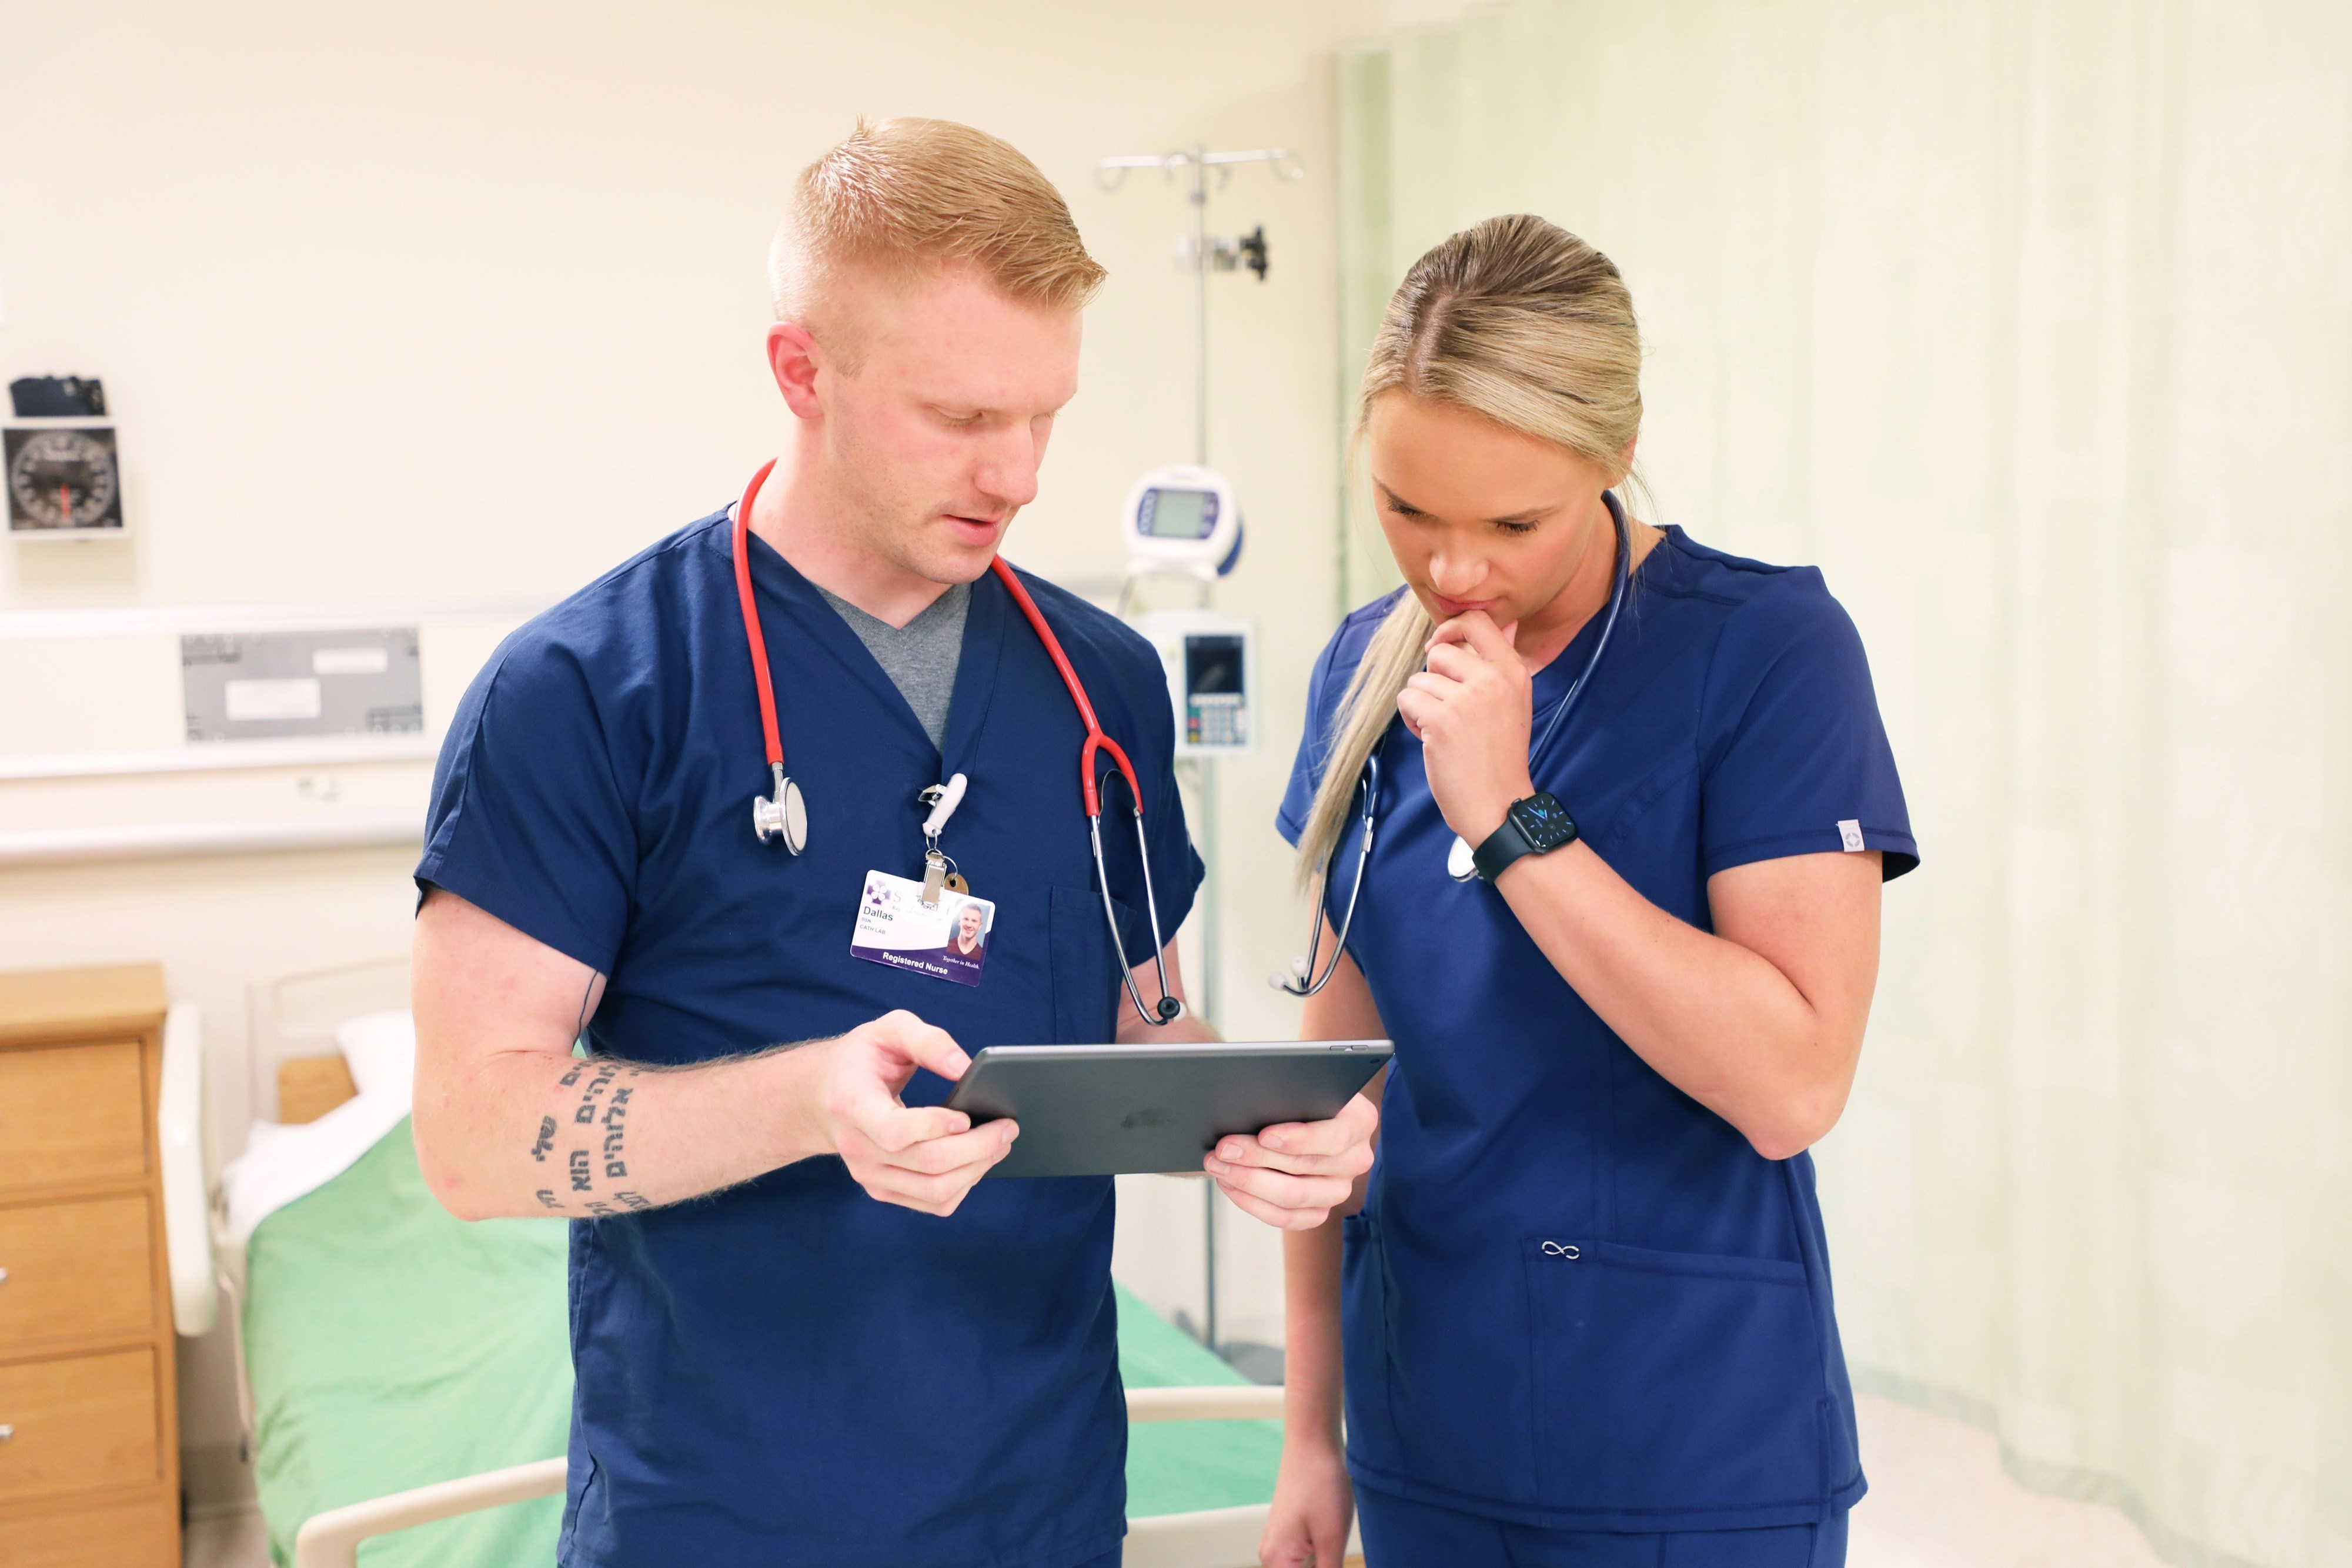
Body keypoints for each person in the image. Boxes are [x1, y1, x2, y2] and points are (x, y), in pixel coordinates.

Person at [407, 118, 1376, 1568]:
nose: (1019, 471)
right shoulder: (590, 692)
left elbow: (1138, 1024)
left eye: (1045, 414)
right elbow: (474, 1137)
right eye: (962, 417)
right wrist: (805, 1100)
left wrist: (1258, 1127)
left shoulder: (1098, 684)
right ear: (803, 372)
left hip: (1035, 1491)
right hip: (721, 1509)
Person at [1245, 216, 1917, 1567]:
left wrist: (1508, 816)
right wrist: (1307, 1436)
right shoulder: (1362, 672)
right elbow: (1338, 1093)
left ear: (1615, 454)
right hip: (1421, 1420)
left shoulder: (1768, 651)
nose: (1449, 572)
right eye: (1405, 508)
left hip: (1687, 1442)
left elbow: (1790, 1084)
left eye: (1509, 522)